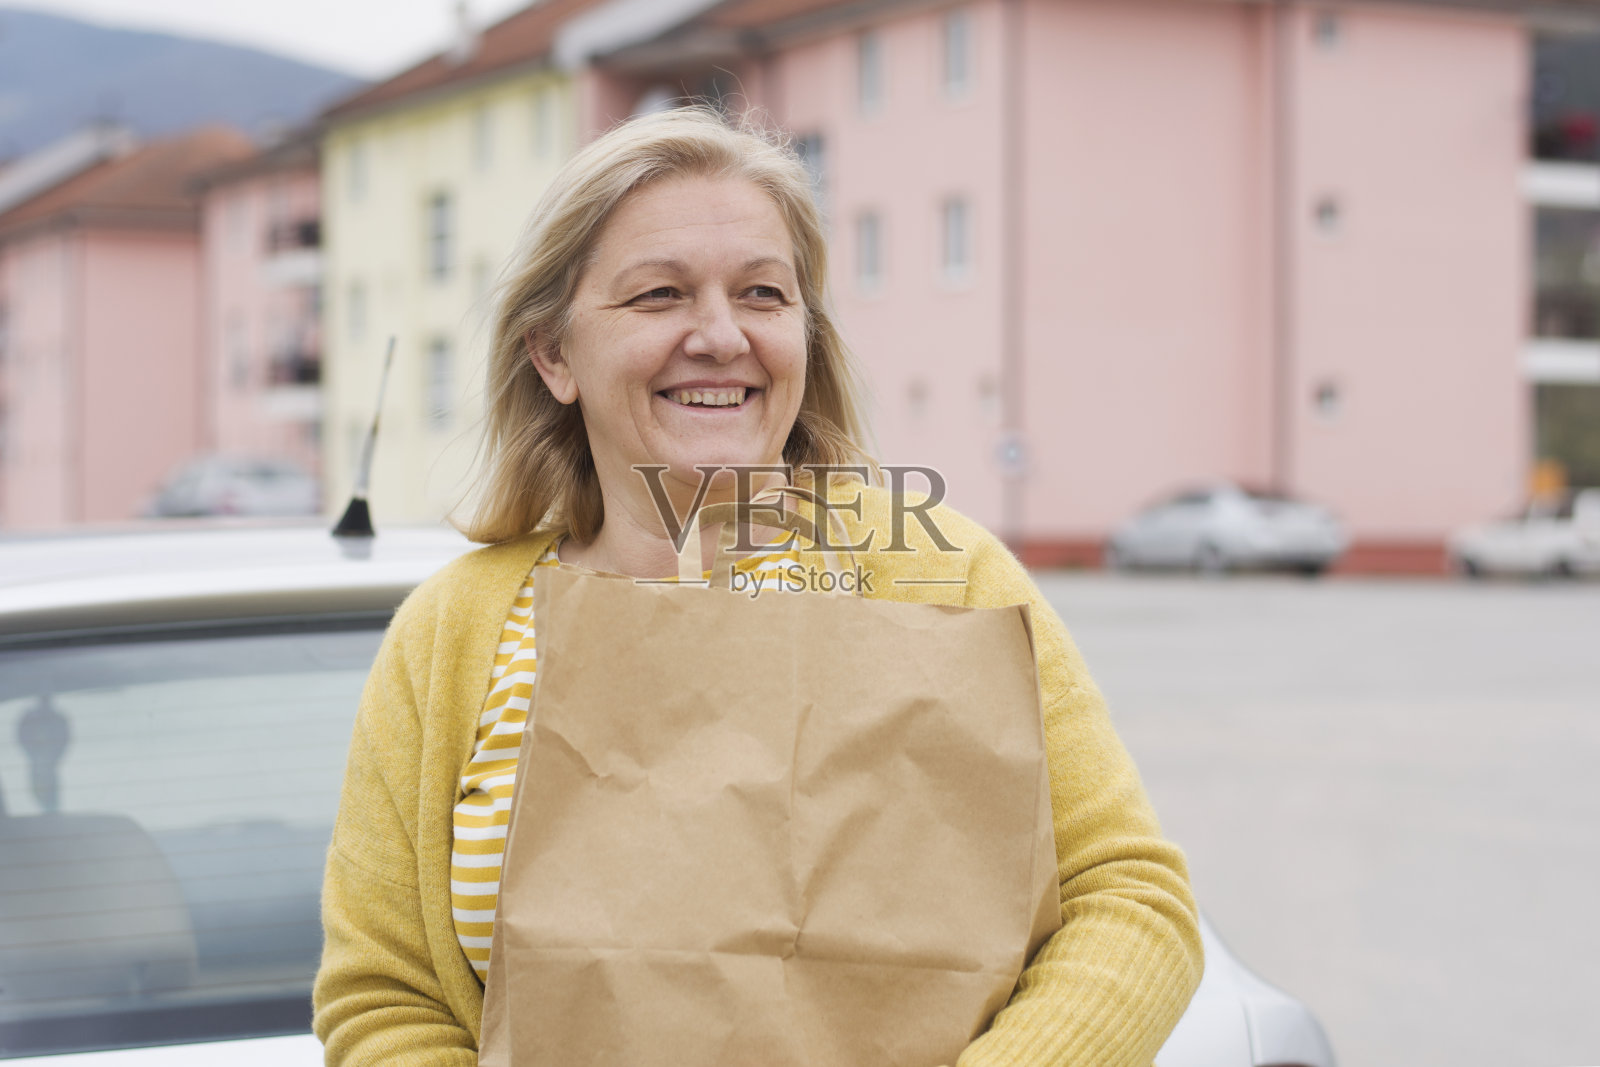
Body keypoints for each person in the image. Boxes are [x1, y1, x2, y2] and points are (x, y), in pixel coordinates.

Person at [313, 106, 1201, 1066]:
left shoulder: (938, 573)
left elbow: (1131, 900)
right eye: (659, 295)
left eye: (763, 294)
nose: (720, 335)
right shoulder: (455, 633)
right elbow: (385, 995)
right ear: (554, 354)